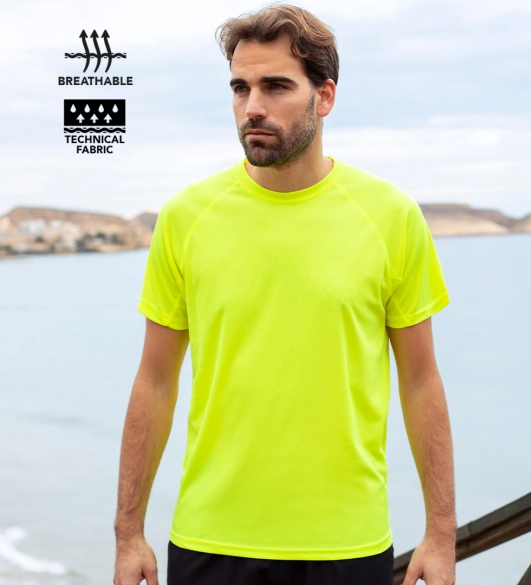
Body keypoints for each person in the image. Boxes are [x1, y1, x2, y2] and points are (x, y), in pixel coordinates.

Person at [113, 4, 456, 585]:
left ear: (325, 97)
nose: (253, 106)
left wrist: (441, 534)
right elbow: (155, 381)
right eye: (240, 88)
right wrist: (128, 533)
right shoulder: (185, 218)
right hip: (209, 540)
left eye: (275, 86)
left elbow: (421, 380)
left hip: (347, 544)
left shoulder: (390, 216)